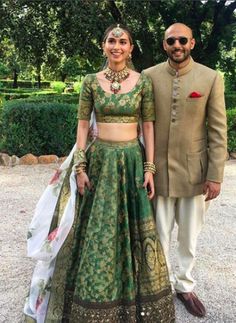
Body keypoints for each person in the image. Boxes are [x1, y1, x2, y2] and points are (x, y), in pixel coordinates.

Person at [24, 24, 175, 322]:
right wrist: (80, 166)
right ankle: (88, 298)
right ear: (103, 46)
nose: (116, 46)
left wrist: (149, 167)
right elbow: (82, 125)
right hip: (99, 161)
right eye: (111, 41)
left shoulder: (142, 82)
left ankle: (132, 301)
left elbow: (148, 126)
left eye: (123, 41)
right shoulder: (91, 81)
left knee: (133, 231)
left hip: (132, 161)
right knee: (95, 230)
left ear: (131, 48)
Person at [144, 23, 227, 318]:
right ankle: (159, 287)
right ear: (164, 44)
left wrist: (215, 174)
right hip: (159, 173)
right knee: (159, 235)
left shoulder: (210, 77)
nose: (176, 44)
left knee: (189, 237)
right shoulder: (149, 76)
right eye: (171, 40)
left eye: (182, 40)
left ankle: (185, 285)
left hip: (195, 173)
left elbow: (217, 129)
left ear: (192, 42)